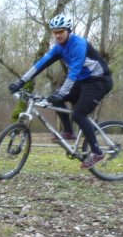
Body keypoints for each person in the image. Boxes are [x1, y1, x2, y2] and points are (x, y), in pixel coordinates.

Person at [8, 14, 113, 169]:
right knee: (55, 99)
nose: (57, 35)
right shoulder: (59, 48)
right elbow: (40, 64)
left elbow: (73, 73)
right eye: (55, 32)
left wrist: (62, 92)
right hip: (83, 81)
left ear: (68, 31)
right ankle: (69, 132)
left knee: (78, 114)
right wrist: (21, 81)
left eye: (61, 32)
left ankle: (97, 152)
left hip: (99, 81)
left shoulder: (78, 44)